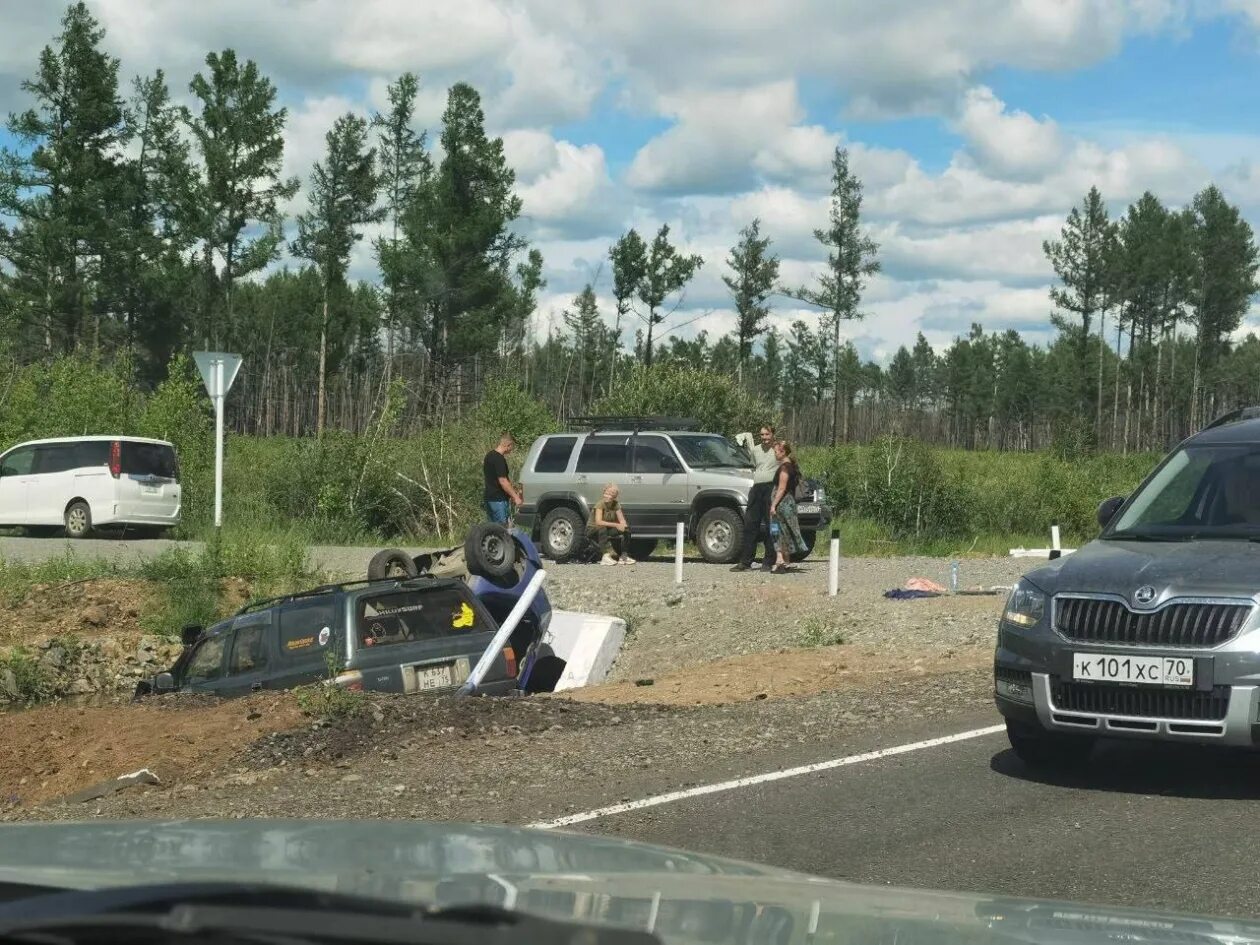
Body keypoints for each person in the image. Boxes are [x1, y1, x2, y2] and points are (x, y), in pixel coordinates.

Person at [731, 424, 778, 572]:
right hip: (757, 488)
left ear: (773, 435)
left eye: (767, 435)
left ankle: (769, 561)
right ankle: (745, 562)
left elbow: (788, 464)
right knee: (750, 524)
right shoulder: (756, 450)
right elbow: (752, 464)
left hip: (771, 488)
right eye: (762, 435)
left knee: (772, 525)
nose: (764, 438)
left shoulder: (778, 449)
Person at [769, 439, 809, 574]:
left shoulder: (785, 468)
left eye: (776, 452)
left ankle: (779, 560)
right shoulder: (791, 465)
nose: (774, 454)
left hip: (782, 505)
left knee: (776, 530)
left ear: (783, 452)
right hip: (788, 504)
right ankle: (786, 560)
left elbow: (781, 488)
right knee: (785, 531)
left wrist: (773, 505)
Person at [482, 433, 522, 525]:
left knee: (492, 530)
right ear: (508, 445)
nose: (512, 450)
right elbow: (503, 481)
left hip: (489, 498)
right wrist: (516, 497)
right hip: (498, 500)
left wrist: (513, 491)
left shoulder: (489, 455)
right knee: (502, 530)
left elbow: (494, 479)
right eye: (512, 447)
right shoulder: (499, 459)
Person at [591, 484, 635, 565]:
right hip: (593, 529)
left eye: (610, 494)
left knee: (626, 529)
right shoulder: (600, 504)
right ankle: (605, 556)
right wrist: (616, 525)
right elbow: (598, 522)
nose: (607, 496)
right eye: (606, 493)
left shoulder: (616, 504)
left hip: (607, 529)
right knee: (602, 527)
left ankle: (623, 556)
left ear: (614, 496)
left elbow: (622, 521)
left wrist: (623, 526)